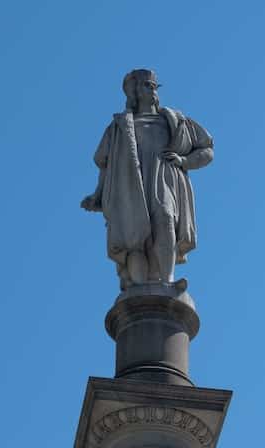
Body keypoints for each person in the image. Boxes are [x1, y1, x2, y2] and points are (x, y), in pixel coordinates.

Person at [81, 69, 214, 288]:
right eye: (146, 85)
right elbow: (106, 165)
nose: (152, 89)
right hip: (130, 185)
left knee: (165, 218)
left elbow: (207, 149)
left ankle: (168, 281)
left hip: (164, 179)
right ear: (134, 92)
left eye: (154, 85)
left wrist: (184, 161)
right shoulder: (119, 126)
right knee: (134, 237)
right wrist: (98, 194)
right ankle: (138, 287)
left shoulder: (175, 120)